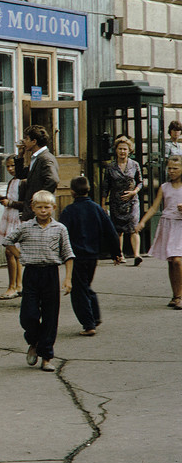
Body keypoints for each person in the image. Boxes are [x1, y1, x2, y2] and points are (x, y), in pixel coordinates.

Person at [2, 191, 74, 373]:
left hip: (50, 274)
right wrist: (20, 256)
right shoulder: (26, 227)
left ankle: (47, 357)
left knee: (50, 316)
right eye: (39, 207)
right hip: (31, 274)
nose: (43, 211)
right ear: (33, 208)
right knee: (29, 315)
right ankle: (33, 341)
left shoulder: (60, 229)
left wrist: (68, 278)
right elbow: (8, 241)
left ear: (54, 208)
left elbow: (68, 254)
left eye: (47, 207)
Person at [59, 175, 125, 336]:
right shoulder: (97, 209)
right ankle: (94, 316)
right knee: (85, 285)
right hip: (92, 256)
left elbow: (61, 234)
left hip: (76, 256)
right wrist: (116, 252)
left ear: (72, 192)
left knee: (79, 290)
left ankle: (89, 324)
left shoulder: (69, 211)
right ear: (88, 190)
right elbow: (110, 231)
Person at [136, 155, 182, 309]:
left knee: (177, 260)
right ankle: (175, 295)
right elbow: (154, 207)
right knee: (172, 262)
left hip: (180, 225)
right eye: (169, 168)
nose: (172, 171)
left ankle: (180, 296)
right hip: (168, 224)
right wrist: (142, 222)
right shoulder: (164, 187)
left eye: (175, 168)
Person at [102, 135, 144, 266]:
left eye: (125, 149)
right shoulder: (110, 167)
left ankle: (137, 254)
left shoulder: (134, 165)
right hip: (116, 201)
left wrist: (134, 192)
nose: (122, 152)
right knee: (118, 229)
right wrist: (103, 204)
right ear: (116, 150)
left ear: (129, 150)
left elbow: (140, 182)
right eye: (120, 149)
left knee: (133, 227)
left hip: (132, 201)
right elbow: (105, 186)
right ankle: (120, 254)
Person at [8, 125, 60, 222]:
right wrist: (20, 155)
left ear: (34, 141)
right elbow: (21, 175)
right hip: (32, 210)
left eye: (26, 139)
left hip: (40, 211)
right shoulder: (36, 158)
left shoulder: (45, 158)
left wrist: (40, 199)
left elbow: (53, 180)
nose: (24, 141)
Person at [0, 155, 23, 299]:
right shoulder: (13, 181)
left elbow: (24, 203)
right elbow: (9, 199)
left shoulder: (23, 182)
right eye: (8, 166)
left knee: (11, 251)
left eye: (13, 166)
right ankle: (17, 285)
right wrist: (0, 198)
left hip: (17, 217)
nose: (10, 169)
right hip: (9, 216)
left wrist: (9, 203)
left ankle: (14, 286)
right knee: (12, 252)